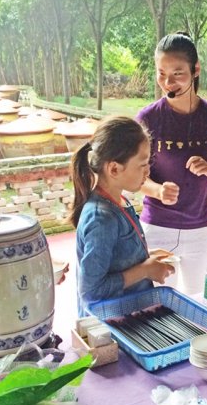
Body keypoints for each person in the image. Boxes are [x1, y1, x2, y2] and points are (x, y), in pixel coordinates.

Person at [136, 32, 207, 295]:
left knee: (200, 300)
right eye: (161, 73)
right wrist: (157, 190)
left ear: (196, 69)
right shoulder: (148, 117)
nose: (168, 82)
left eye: (177, 73)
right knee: (157, 303)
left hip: (201, 227)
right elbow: (136, 176)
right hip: (156, 227)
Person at [70, 116, 175, 316]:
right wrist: (144, 270)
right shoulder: (101, 218)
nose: (148, 171)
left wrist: (146, 256)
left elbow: (114, 258)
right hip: (111, 328)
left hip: (131, 316)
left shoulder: (119, 201)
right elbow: (91, 292)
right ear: (114, 169)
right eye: (142, 164)